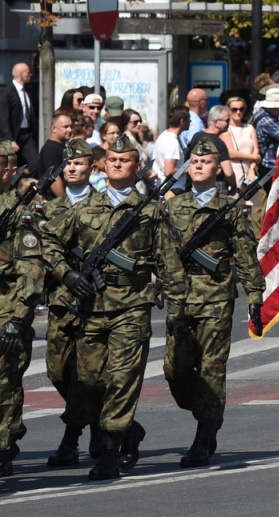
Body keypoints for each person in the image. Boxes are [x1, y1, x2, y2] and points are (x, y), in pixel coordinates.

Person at [40, 133, 188, 480]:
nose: (117, 163)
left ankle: (109, 451)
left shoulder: (150, 211)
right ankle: (129, 430)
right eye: (112, 159)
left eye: (125, 159)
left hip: (131, 308)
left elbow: (169, 264)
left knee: (122, 379)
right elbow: (48, 241)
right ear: (103, 165)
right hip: (89, 307)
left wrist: (178, 313)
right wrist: (67, 275)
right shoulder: (84, 208)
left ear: (137, 167)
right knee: (89, 381)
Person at [163, 138, 265, 466]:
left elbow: (245, 254)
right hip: (180, 297)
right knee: (174, 369)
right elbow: (161, 254)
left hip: (216, 298)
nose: (197, 165)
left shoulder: (229, 207)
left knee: (211, 369)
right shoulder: (174, 207)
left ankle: (204, 433)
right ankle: (210, 410)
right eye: (193, 160)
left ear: (217, 168)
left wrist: (255, 295)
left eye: (204, 161)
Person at [39, 139, 104, 467]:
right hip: (62, 298)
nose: (72, 168)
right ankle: (96, 421)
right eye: (68, 164)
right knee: (57, 370)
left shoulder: (106, 205)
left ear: (92, 167)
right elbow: (42, 251)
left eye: (79, 163)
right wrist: (64, 275)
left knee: (88, 373)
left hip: (95, 300)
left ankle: (71, 439)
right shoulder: (52, 208)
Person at [0, 138, 45, 478]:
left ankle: (2, 448)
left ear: (10, 171)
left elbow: (31, 269)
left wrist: (17, 319)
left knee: (4, 383)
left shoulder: (21, 211)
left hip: (6, 308)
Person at [188, 106, 237, 195]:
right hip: (216, 186)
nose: (229, 123)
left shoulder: (196, 136)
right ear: (216, 122)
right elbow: (228, 172)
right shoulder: (218, 143)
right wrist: (233, 186)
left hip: (196, 185)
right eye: (227, 120)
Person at [0, 63, 39, 175]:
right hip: (12, 136)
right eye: (28, 72)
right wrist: (10, 140)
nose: (30, 74)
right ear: (21, 74)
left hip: (27, 135)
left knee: (35, 164)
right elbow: (3, 119)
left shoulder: (28, 91)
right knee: (10, 168)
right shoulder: (6, 92)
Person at [221, 96, 260, 187]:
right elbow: (231, 153)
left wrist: (252, 169)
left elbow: (256, 151)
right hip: (232, 173)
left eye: (241, 109)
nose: (238, 112)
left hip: (250, 175)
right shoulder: (225, 130)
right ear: (228, 110)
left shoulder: (250, 128)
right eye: (234, 109)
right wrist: (254, 157)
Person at [37, 110, 73, 198]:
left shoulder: (60, 147)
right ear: (54, 129)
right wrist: (64, 202)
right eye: (65, 127)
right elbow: (54, 178)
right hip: (53, 201)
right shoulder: (51, 149)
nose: (70, 130)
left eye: (71, 126)